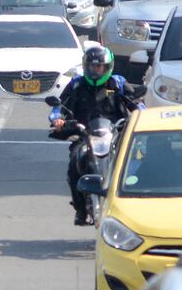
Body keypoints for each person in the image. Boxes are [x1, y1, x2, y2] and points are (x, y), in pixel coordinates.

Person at [50, 45, 137, 225]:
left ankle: (136, 208)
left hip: (116, 136)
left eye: (99, 67)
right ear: (86, 66)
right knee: (74, 164)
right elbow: (59, 107)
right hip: (84, 135)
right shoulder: (76, 83)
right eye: (92, 66)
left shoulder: (118, 83)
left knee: (136, 166)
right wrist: (58, 120)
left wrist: (142, 117)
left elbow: (136, 104)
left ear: (107, 67)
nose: (95, 70)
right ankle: (81, 210)